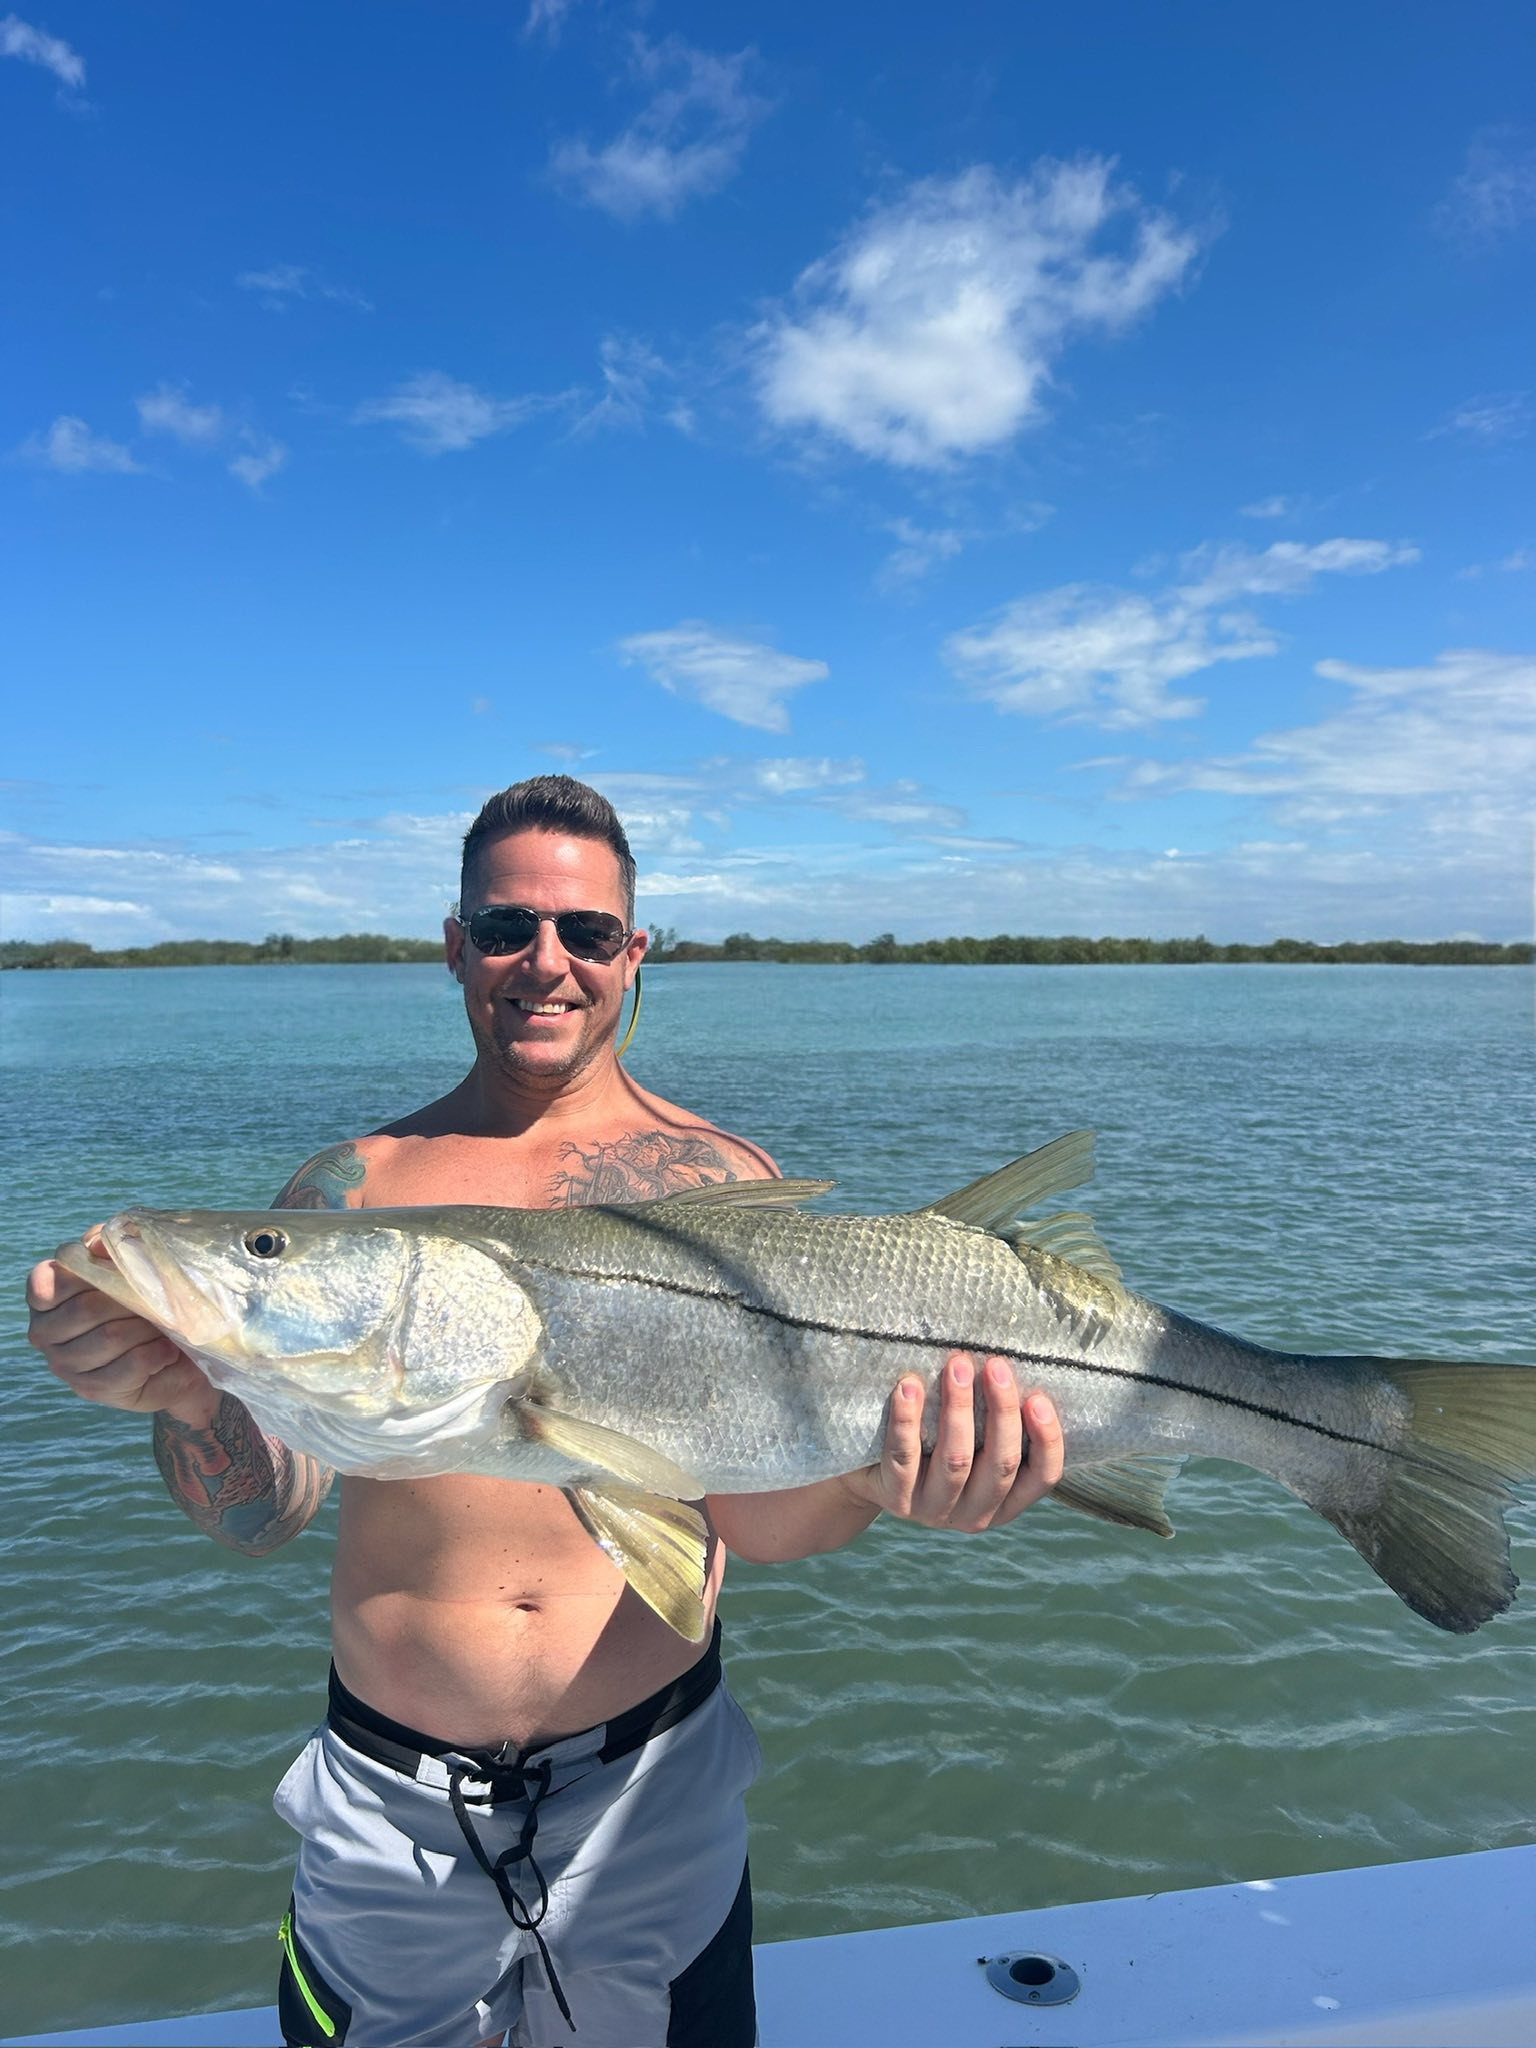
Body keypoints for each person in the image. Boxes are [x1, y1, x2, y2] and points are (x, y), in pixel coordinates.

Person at [26, 775, 1065, 2048]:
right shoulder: (353, 1187)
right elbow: (261, 1515)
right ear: (456, 944)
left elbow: (754, 1519)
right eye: (507, 925)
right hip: (390, 1803)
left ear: (634, 951)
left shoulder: (724, 1183)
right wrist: (187, 1394)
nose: (546, 960)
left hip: (654, 1791)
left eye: (586, 930)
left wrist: (878, 1478)